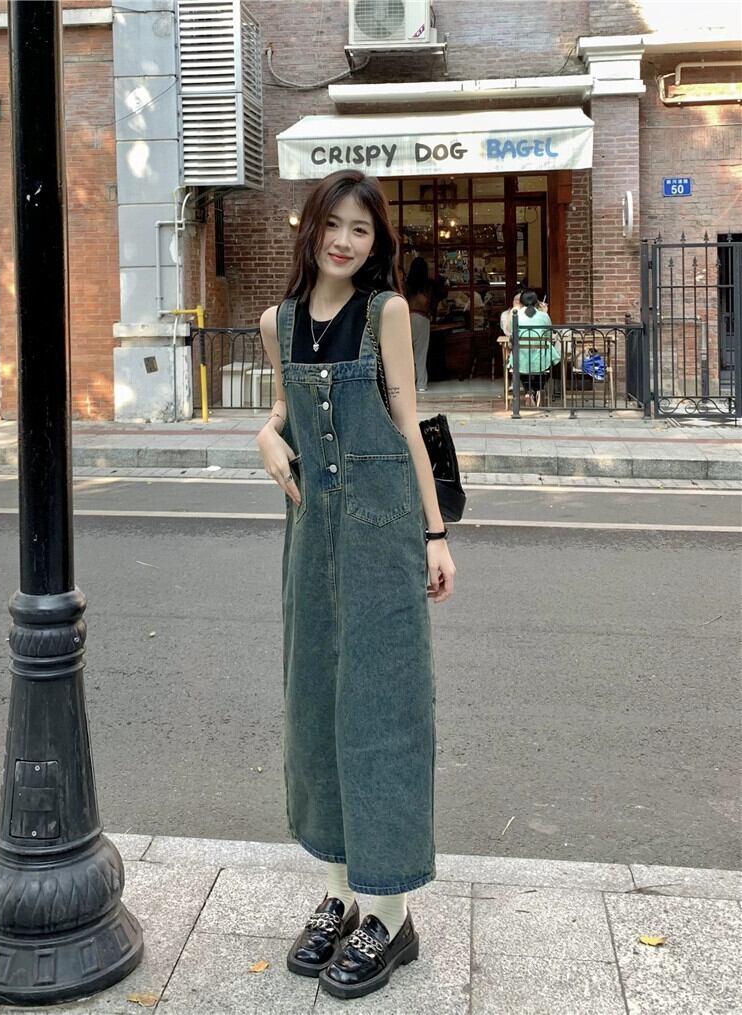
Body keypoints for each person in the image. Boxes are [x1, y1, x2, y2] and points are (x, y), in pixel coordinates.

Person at [256, 169, 456, 1001]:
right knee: (317, 710)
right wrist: (265, 434)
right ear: (311, 228)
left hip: (382, 536)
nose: (344, 240)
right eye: (333, 223)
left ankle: (390, 912)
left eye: (361, 229)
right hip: (311, 543)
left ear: (377, 243)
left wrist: (436, 535)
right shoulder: (276, 323)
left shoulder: (386, 314)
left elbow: (408, 424)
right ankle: (340, 895)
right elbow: (281, 414)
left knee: (384, 713)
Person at [507, 288, 559, 406]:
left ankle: (528, 391)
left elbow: (512, 334)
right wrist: (545, 312)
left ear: (521, 302)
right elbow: (548, 335)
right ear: (537, 302)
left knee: (520, 368)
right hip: (540, 356)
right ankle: (536, 390)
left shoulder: (516, 315)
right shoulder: (543, 316)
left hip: (521, 356)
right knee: (551, 364)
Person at [405, 256, 432, 391]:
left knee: (406, 352)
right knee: (421, 353)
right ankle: (421, 384)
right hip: (422, 318)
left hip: (407, 317)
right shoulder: (427, 286)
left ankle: (407, 382)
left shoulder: (407, 286)